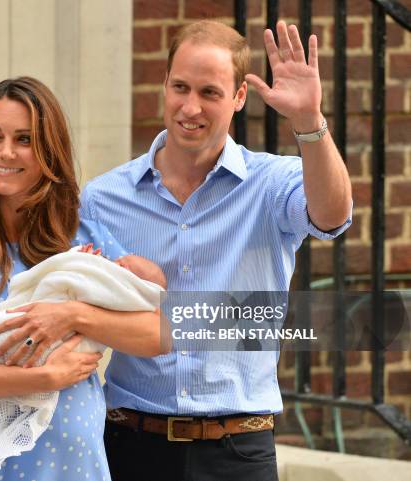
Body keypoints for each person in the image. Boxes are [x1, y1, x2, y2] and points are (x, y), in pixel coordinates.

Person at [79, 20, 352, 481]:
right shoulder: (103, 197)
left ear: (240, 97)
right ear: (164, 84)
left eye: (209, 92)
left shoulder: (272, 184)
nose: (191, 107)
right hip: (130, 445)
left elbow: (332, 216)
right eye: (180, 87)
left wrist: (309, 123)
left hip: (238, 452)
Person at [0, 76, 167, 481]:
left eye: (24, 139)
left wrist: (74, 315)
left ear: (49, 150)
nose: (5, 152)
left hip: (79, 466)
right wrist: (43, 378)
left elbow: (157, 334)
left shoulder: (83, 237)